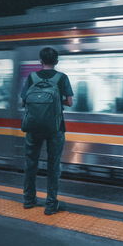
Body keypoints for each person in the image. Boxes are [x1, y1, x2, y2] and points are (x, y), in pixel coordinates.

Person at [21, 47, 73, 215]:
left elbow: (25, 101)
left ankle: (29, 200)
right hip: (55, 128)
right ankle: (51, 204)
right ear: (56, 61)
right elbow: (70, 102)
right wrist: (56, 101)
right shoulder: (62, 78)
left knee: (31, 163)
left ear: (40, 61)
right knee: (53, 165)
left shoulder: (31, 77)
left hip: (33, 127)